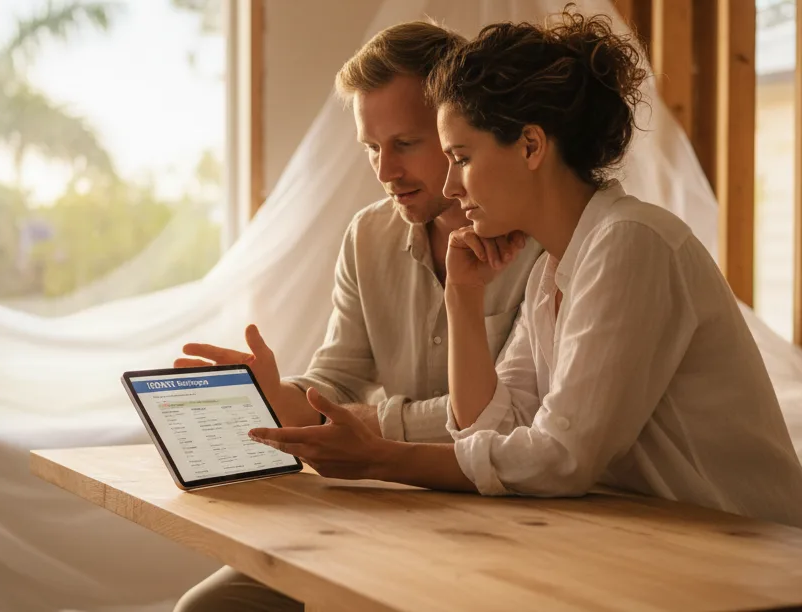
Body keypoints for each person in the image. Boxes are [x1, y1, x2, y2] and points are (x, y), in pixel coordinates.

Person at [249, 9, 802, 530]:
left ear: (532, 145)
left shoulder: (632, 243)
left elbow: (561, 457)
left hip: (750, 556)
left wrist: (382, 458)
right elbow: (490, 429)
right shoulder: (552, 273)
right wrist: (463, 300)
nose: (449, 184)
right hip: (651, 539)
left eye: (461, 158)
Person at [172, 21, 542, 612]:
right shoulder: (368, 235)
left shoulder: (544, 243)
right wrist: (273, 394)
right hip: (393, 505)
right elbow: (337, 379)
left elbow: (521, 415)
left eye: (405, 143)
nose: (384, 171)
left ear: (456, 130)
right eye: (372, 148)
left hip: (517, 518)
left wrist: (368, 428)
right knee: (208, 608)